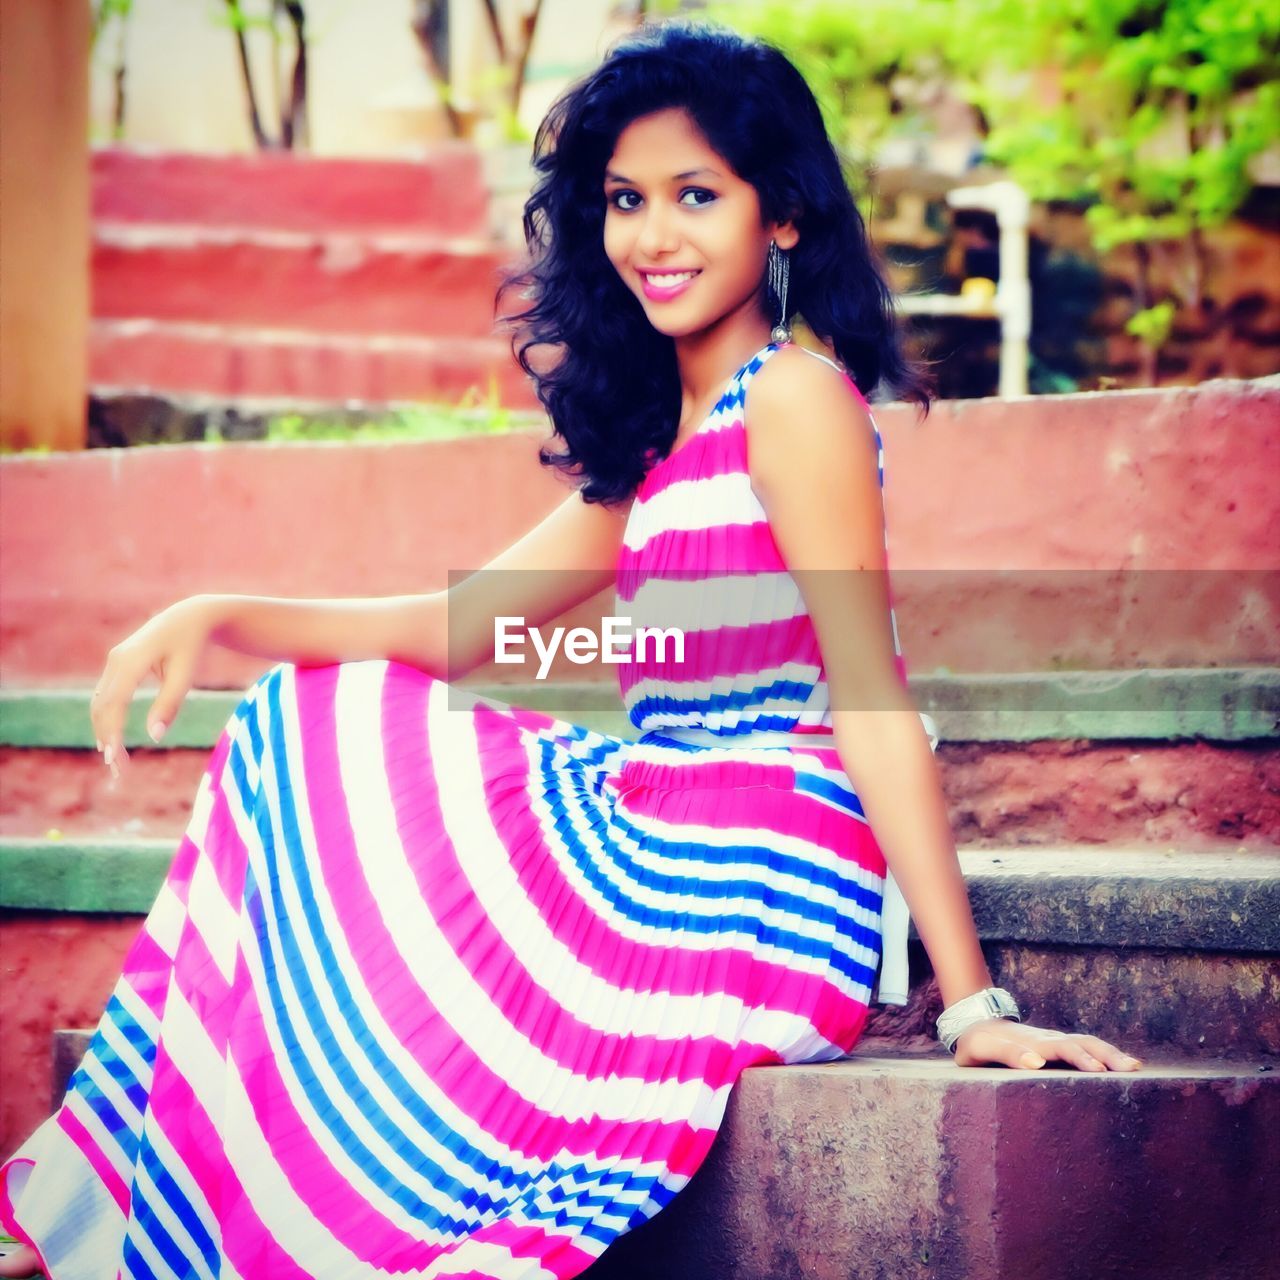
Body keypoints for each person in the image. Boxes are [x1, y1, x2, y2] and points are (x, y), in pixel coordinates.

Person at [0, 17, 1144, 1280]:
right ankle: (117, 1216)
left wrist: (972, 1007)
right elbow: (450, 628)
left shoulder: (794, 399)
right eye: (623, 201)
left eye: (695, 196)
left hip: (756, 863)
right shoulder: (660, 444)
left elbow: (869, 691)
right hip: (654, 815)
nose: (652, 236)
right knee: (298, 717)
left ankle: (145, 1232)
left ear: (781, 218)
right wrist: (218, 614)